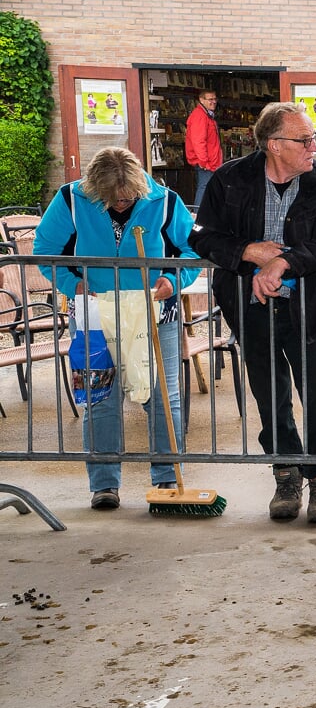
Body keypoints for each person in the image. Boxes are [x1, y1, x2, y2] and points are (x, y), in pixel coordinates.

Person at [190, 101, 316, 525]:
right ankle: (285, 474)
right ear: (274, 145)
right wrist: (248, 252)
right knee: (270, 397)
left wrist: (284, 263)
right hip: (248, 309)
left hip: (305, 308)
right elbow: (200, 236)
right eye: (304, 139)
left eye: (313, 138)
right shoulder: (229, 180)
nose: (313, 146)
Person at [34, 147, 200, 510]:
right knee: (100, 397)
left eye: (128, 197)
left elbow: (192, 251)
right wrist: (71, 284)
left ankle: (168, 478)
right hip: (94, 312)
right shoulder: (70, 200)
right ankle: (104, 484)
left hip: (156, 310)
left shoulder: (166, 201)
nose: (122, 203)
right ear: (94, 188)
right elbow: (45, 250)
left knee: (162, 396)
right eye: (113, 198)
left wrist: (174, 279)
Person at [185, 89, 222, 208]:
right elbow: (198, 141)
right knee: (204, 187)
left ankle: (204, 217)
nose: (213, 102)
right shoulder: (200, 116)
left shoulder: (206, 116)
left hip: (211, 162)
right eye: (210, 99)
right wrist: (204, 162)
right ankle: (198, 217)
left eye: (215, 99)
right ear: (201, 100)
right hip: (207, 163)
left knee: (208, 188)